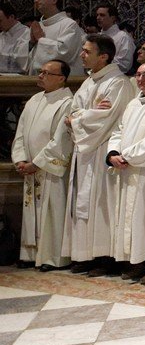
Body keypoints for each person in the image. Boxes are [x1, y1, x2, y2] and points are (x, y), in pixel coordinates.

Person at [63, 35, 136, 275]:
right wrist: (83, 114)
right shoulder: (89, 82)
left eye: (86, 51)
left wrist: (79, 117)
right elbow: (74, 112)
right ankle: (86, 254)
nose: (82, 55)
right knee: (84, 204)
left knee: (102, 205)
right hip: (85, 150)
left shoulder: (117, 83)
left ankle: (105, 257)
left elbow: (105, 118)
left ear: (103, 56)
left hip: (103, 149)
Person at [105, 61, 145, 284]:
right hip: (127, 167)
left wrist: (129, 156)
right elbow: (119, 131)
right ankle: (137, 260)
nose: (141, 80)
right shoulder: (134, 102)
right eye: (138, 75)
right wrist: (113, 153)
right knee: (131, 217)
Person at [13, 60, 74, 270]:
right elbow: (21, 132)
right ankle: (30, 253)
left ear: (61, 78)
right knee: (32, 210)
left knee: (52, 210)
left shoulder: (67, 102)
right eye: (40, 72)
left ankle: (53, 257)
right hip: (31, 167)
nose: (40, 76)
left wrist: (37, 163)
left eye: (47, 73)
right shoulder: (34, 99)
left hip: (49, 169)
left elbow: (61, 140)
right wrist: (20, 159)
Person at [28, 0, 83, 76]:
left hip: (60, 79)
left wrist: (41, 39)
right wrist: (31, 43)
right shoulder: (38, 25)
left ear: (54, 0)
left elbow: (65, 53)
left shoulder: (69, 24)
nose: (36, 1)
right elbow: (31, 57)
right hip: (37, 77)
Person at [91, 3, 134, 74]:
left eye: (102, 15)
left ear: (113, 18)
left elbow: (124, 64)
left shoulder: (123, 37)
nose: (98, 18)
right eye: (97, 15)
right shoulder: (96, 37)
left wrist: (100, 59)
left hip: (114, 76)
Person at [0, 2, 30, 74]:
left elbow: (21, 62)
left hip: (16, 79)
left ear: (11, 17)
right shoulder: (2, 34)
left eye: (0, 21)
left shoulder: (26, 33)